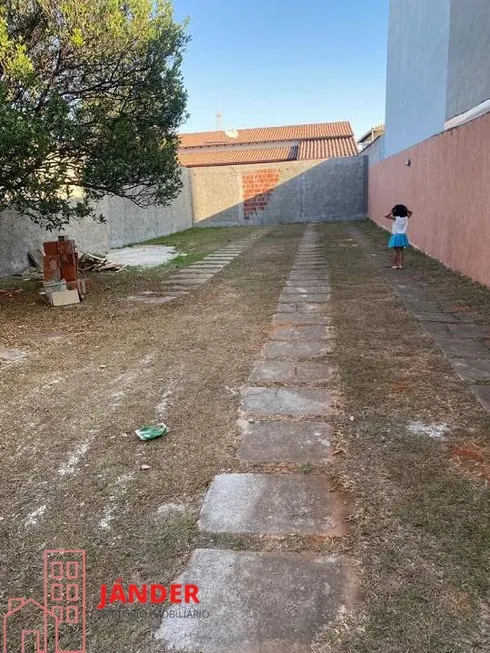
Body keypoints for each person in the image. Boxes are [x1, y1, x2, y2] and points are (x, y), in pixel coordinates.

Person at [385, 204, 413, 269]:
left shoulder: (395, 218)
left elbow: (386, 216)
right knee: (401, 251)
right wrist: (406, 210)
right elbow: (411, 213)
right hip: (403, 236)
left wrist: (391, 212)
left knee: (396, 251)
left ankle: (395, 264)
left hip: (396, 236)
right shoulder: (406, 218)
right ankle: (400, 264)